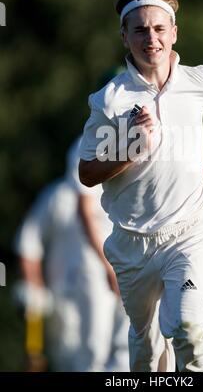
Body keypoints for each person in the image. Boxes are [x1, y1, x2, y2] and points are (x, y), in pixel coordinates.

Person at [78, 0, 203, 372]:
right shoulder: (110, 99)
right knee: (147, 351)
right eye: (141, 30)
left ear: (174, 32)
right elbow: (86, 173)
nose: (152, 38)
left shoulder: (198, 81)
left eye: (160, 28)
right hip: (132, 244)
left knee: (188, 326)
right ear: (125, 37)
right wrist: (132, 149)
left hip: (188, 231)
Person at [14, 138, 129, 372]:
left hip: (119, 278)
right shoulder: (56, 197)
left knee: (124, 353)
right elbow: (29, 244)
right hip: (67, 298)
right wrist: (34, 285)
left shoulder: (116, 193)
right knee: (82, 357)